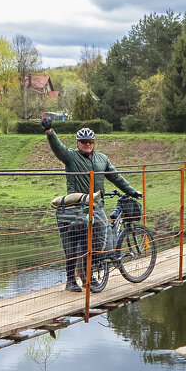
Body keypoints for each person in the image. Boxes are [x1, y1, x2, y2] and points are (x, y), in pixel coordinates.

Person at [42, 117, 142, 291]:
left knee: (93, 243)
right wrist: (50, 132)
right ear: (78, 143)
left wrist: (131, 191)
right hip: (76, 208)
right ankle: (71, 281)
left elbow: (115, 177)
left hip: (96, 206)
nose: (87, 144)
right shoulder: (71, 157)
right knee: (73, 245)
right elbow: (58, 148)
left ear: (94, 143)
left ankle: (89, 276)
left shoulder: (102, 159)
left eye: (90, 142)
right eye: (83, 142)